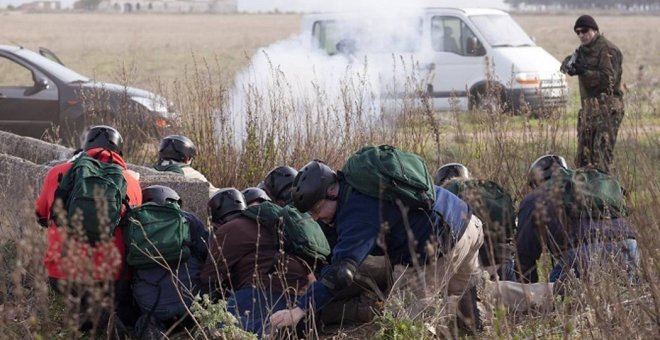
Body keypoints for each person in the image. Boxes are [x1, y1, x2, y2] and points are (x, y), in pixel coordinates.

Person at [269, 160, 484, 333]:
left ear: (332, 193)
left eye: (317, 208)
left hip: (439, 245)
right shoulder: (358, 183)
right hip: (468, 222)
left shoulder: (356, 213)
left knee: (403, 328)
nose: (316, 217)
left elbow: (342, 272)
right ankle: (481, 328)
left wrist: (299, 309)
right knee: (467, 314)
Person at [492, 154, 638, 313]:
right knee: (621, 303)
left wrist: (527, 296)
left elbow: (525, 255)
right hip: (630, 247)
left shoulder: (534, 198)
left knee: (557, 308)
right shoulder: (589, 186)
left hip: (583, 254)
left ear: (536, 181)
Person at [35, 125, 142, 333]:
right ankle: (104, 320)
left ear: (85, 147)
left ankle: (89, 319)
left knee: (80, 304)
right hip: (114, 276)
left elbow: (41, 212)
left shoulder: (58, 173)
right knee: (117, 306)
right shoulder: (130, 181)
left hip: (63, 274)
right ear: (119, 152)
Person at [201, 188, 313, 337]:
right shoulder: (265, 221)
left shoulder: (227, 230)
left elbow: (209, 278)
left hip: (263, 287)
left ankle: (266, 329)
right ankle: (288, 325)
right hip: (304, 294)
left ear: (216, 220)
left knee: (217, 321)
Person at [128, 185, 209, 339]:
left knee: (143, 317)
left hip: (152, 305)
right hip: (192, 300)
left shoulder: (133, 223)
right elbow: (208, 253)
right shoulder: (189, 219)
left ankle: (151, 327)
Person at [560, 15, 624, 172]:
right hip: (589, 111)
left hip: (607, 110)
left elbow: (608, 80)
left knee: (600, 161)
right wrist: (569, 65)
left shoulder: (608, 50)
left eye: (584, 31)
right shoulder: (583, 50)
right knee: (583, 161)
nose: (581, 35)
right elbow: (567, 63)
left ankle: (607, 195)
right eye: (577, 32)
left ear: (595, 30)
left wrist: (584, 71)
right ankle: (585, 196)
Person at [434, 163, 516, 280]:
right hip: (504, 259)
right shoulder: (487, 188)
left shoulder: (446, 192)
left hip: (473, 264)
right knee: (518, 297)